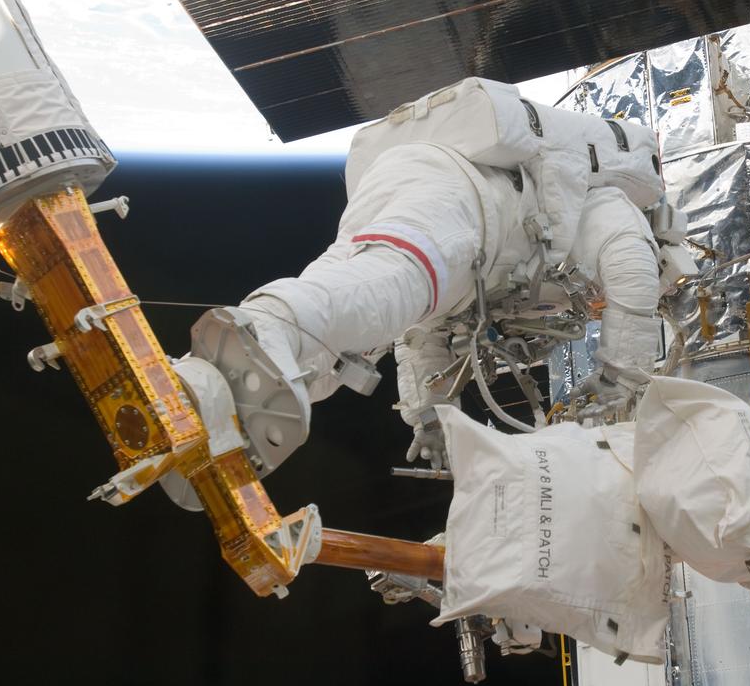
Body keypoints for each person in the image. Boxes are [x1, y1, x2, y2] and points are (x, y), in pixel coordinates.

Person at [197, 79, 669, 473]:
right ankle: (267, 325)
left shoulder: (568, 202)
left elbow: (421, 336)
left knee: (363, 310)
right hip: (463, 203)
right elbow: (634, 273)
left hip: (418, 190)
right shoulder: (608, 205)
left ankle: (229, 403)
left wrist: (431, 417)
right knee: (387, 285)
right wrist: (621, 376)